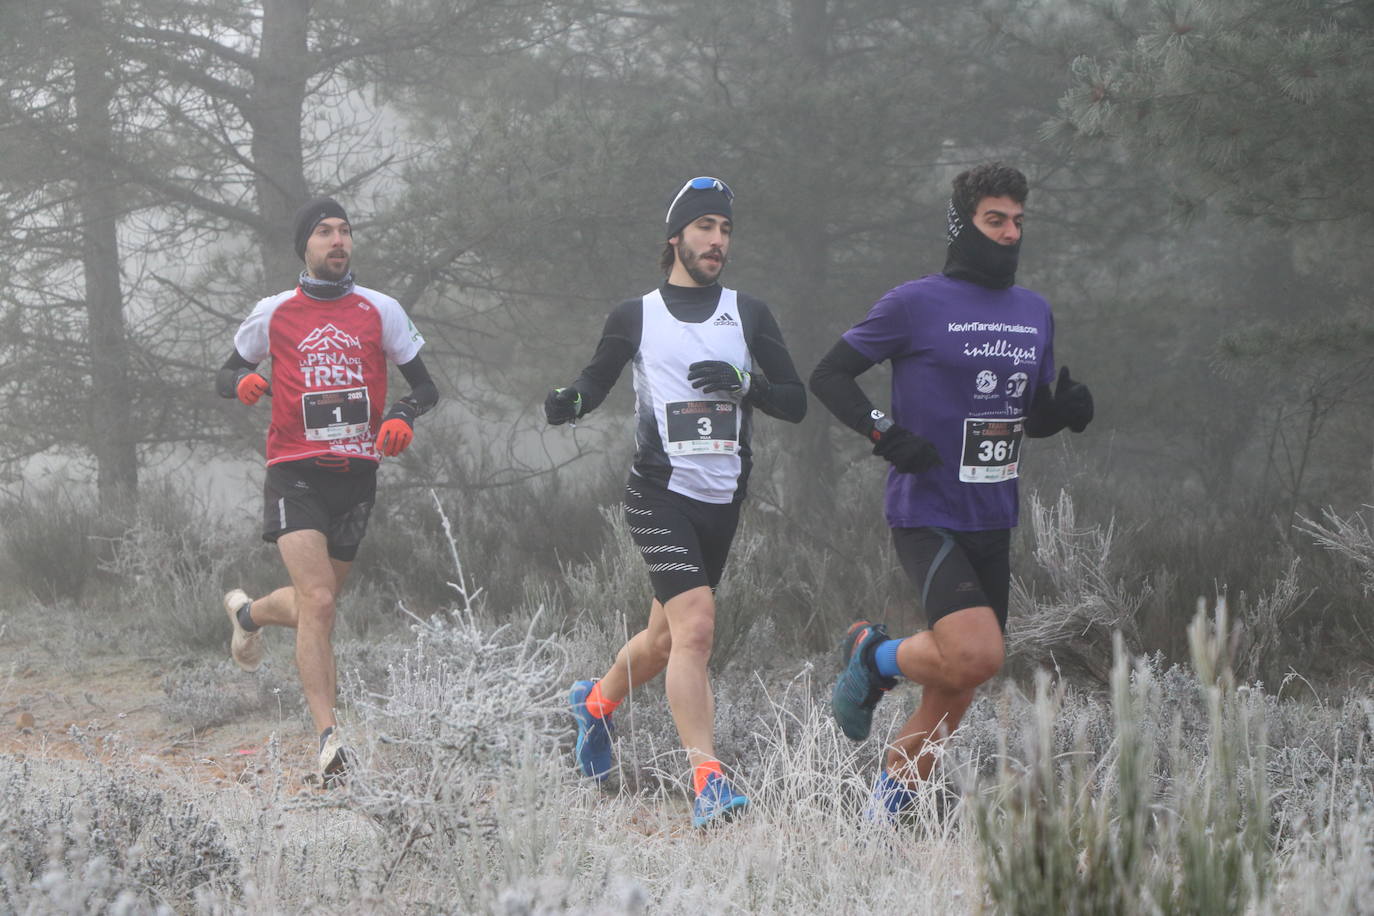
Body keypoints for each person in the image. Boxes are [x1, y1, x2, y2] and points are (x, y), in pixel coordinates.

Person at [809, 163, 1093, 821]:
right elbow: (830, 374)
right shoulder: (914, 303)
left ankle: (884, 818)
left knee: (961, 683)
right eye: (995, 220)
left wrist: (1065, 411)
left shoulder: (1034, 311)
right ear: (962, 224)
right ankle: (872, 656)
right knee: (975, 653)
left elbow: (1031, 413)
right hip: (928, 507)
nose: (1009, 234)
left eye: (1019, 222)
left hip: (994, 513)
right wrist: (885, 433)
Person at [545, 177, 806, 827]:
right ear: (675, 238)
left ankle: (595, 705)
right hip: (658, 493)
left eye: (725, 230)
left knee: (663, 640)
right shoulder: (637, 315)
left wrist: (746, 383)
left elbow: (797, 401)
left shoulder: (750, 314)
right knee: (695, 629)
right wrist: (569, 401)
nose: (717, 241)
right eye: (705, 228)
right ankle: (708, 782)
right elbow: (595, 380)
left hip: (722, 500)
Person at [215, 197, 438, 786]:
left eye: (344, 231)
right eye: (324, 232)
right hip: (295, 472)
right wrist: (245, 382)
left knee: (319, 602)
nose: (338, 241)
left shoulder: (381, 309)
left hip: (357, 476)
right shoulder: (275, 311)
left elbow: (427, 386)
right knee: (317, 601)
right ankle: (329, 740)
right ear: (305, 247)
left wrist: (404, 416)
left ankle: (248, 613)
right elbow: (224, 373)